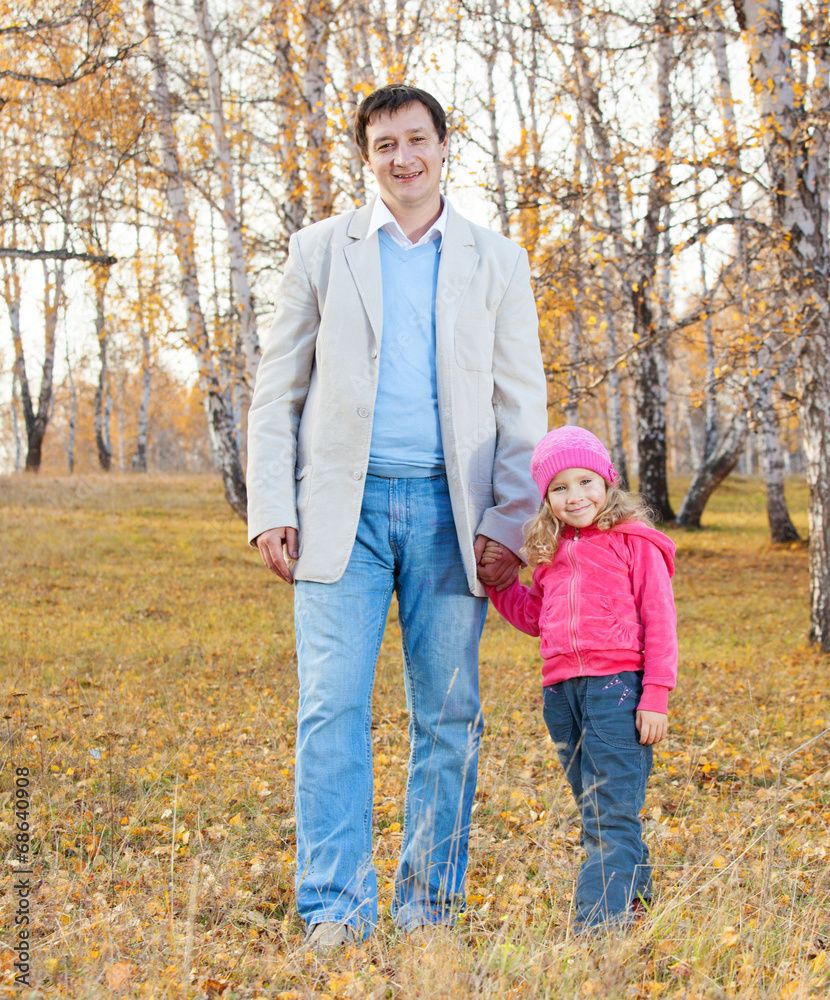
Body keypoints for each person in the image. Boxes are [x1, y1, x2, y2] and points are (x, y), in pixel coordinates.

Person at [246, 83, 547, 949]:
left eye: (417, 140)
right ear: (366, 157)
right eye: (385, 145)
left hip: (454, 519)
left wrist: (508, 521)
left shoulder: (497, 260)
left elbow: (521, 405)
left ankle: (427, 909)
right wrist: (273, 503)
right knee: (329, 709)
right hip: (344, 512)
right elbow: (277, 395)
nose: (403, 158)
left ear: (444, 148)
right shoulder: (318, 251)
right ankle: (335, 908)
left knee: (448, 715)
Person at [481, 425, 677, 930]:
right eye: (559, 487)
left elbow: (660, 620)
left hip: (619, 689)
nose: (575, 496)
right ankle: (634, 901)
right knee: (596, 806)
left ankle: (598, 926)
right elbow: (536, 618)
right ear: (545, 497)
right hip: (560, 693)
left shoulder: (635, 544)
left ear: (608, 480)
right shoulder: (550, 554)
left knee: (611, 810)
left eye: (586, 481)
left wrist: (655, 694)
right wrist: (503, 587)